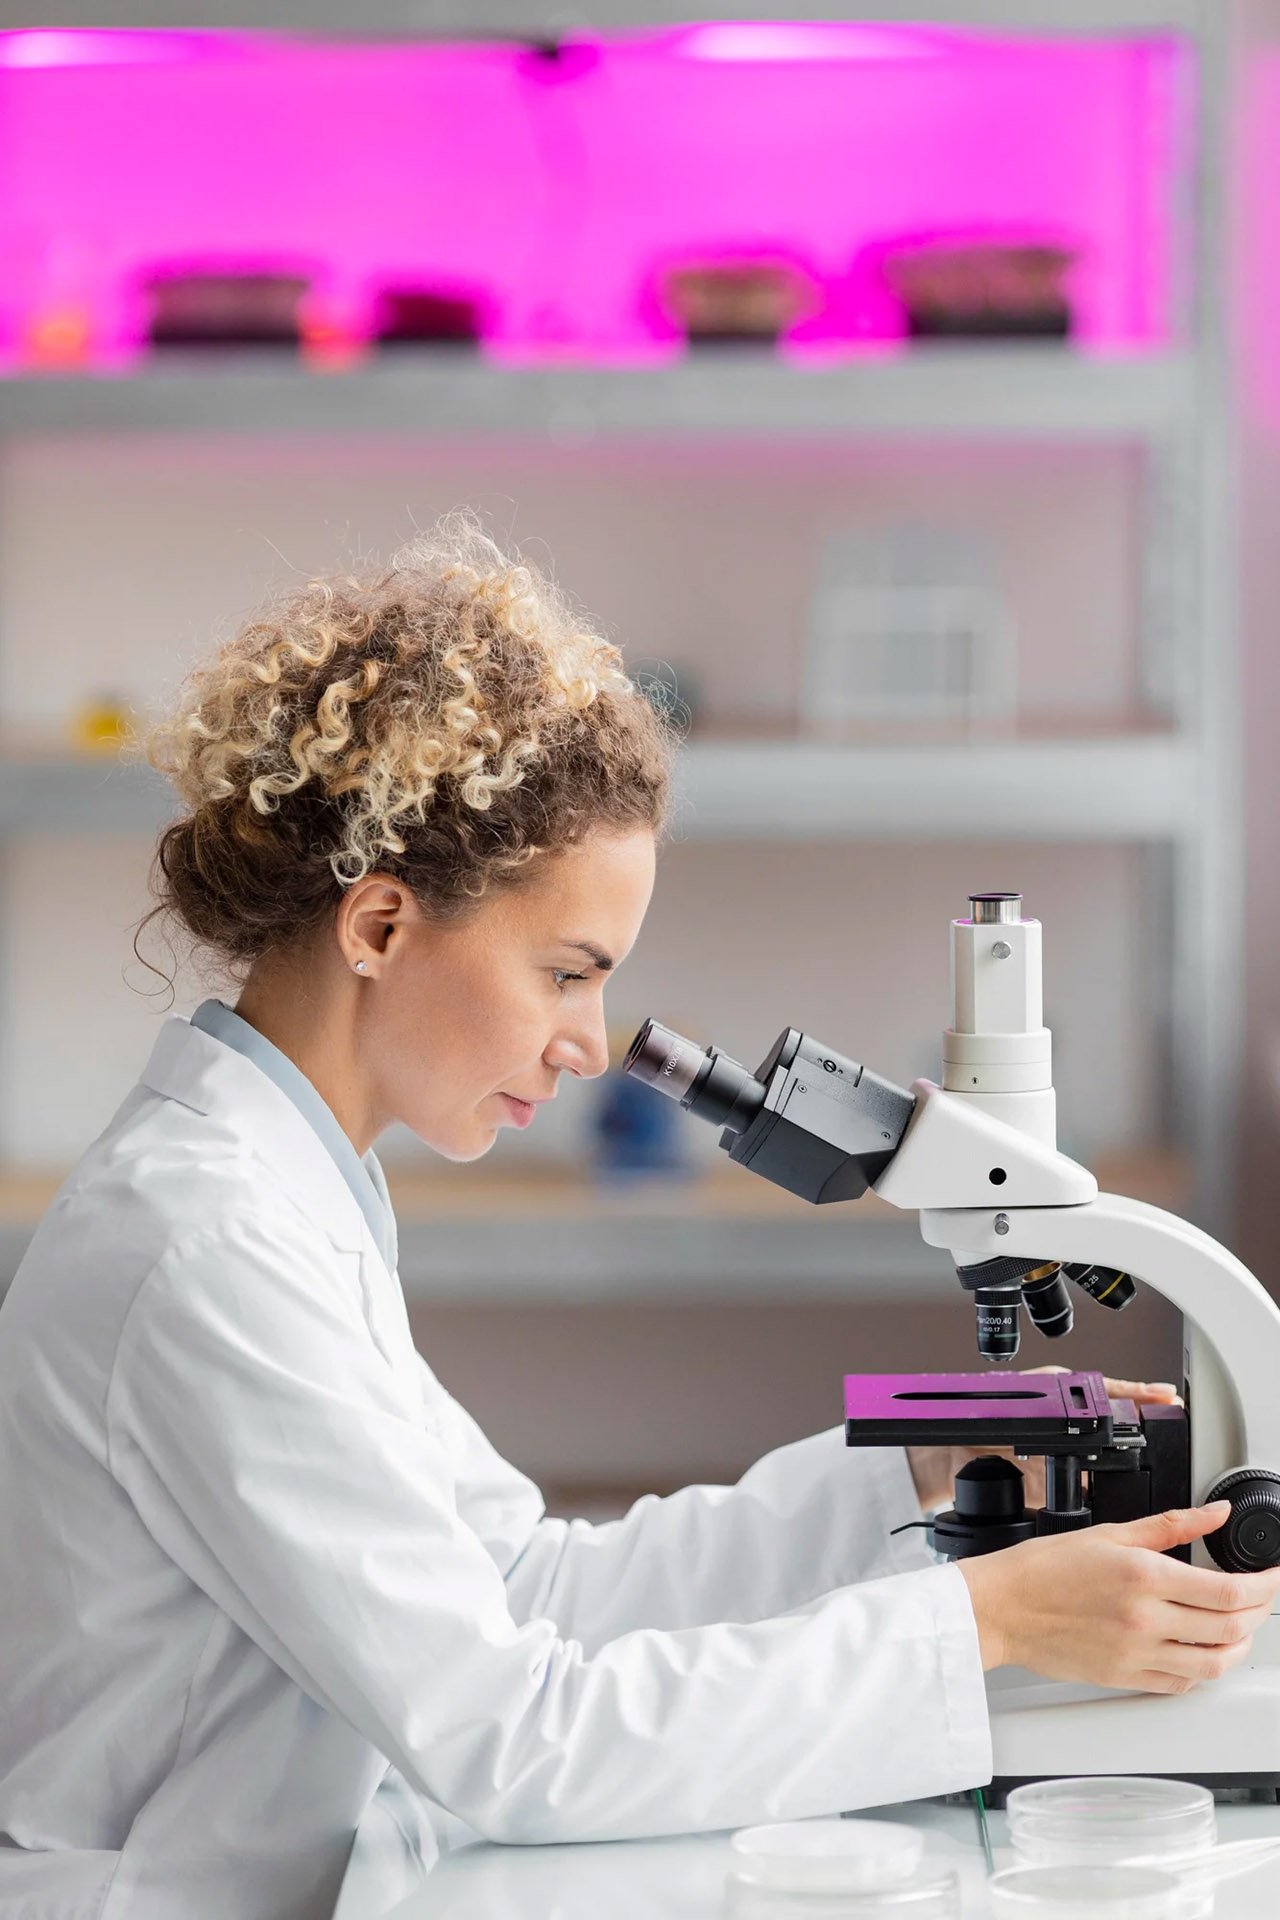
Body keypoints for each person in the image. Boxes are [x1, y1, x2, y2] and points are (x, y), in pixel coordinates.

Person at [0, 513, 1275, 1920]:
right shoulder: (203, 1245)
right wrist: (980, 1624)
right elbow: (511, 1734)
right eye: (564, 973)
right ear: (377, 928)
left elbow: (526, 1584)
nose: (589, 1045)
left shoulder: (288, 1193)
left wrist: (905, 1471)